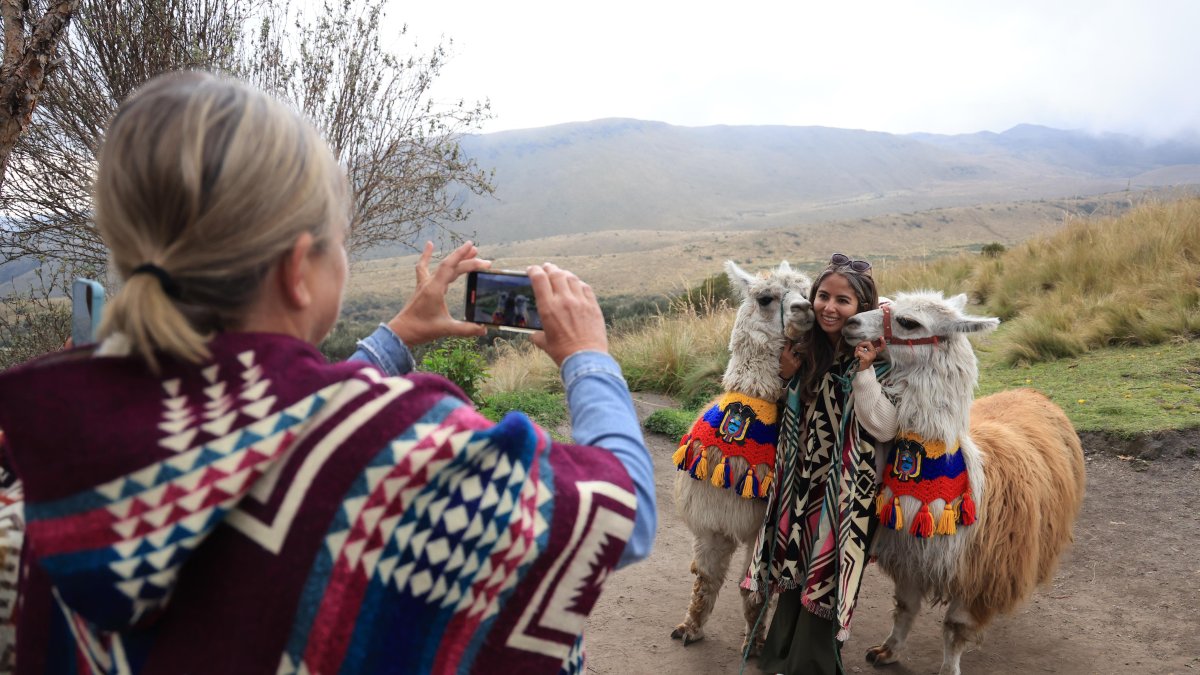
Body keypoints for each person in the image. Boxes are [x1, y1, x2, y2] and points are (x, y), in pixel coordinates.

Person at [0, 71, 655, 674]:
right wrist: (587, 355)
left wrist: (397, 337)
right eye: (340, 240)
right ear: (295, 268)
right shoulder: (398, 452)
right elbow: (623, 516)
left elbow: (264, 418)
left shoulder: (56, 443)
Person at [744, 253, 896, 675]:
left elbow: (883, 426)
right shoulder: (806, 351)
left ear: (861, 307)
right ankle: (781, 654)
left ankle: (811, 664)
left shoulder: (877, 358)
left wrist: (864, 373)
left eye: (842, 301)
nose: (829, 307)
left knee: (827, 568)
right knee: (796, 562)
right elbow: (792, 415)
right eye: (823, 296)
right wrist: (786, 376)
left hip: (848, 490)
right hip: (803, 482)